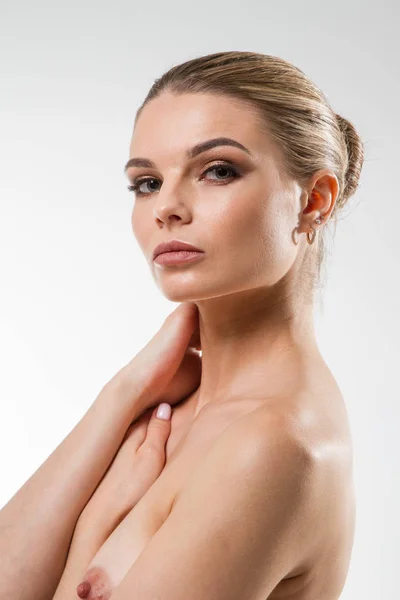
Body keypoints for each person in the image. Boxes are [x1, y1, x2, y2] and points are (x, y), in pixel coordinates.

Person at [1, 51, 364, 600]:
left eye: (218, 170)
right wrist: (120, 395)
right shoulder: (162, 410)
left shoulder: (276, 445)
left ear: (313, 202)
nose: (166, 207)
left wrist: (87, 543)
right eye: (146, 182)